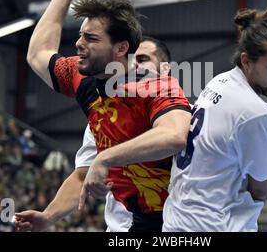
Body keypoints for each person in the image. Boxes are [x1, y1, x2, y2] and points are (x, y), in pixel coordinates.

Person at [18, 0, 191, 232]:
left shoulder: (156, 85)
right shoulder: (82, 76)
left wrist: (105, 159)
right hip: (140, 218)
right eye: (80, 35)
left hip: (181, 219)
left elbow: (175, 135)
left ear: (121, 49)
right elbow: (39, 54)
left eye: (91, 38)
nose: (78, 44)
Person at [162, 6, 267, 232]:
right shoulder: (256, 111)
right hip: (213, 224)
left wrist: (265, 155)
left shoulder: (219, 82)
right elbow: (260, 191)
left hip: (178, 219)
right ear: (247, 61)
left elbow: (214, 152)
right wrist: (263, 165)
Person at [15, 37, 173, 232]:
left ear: (165, 70)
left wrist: (105, 158)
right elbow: (82, 177)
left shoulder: (184, 119)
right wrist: (48, 216)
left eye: (142, 59)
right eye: (131, 60)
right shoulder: (102, 118)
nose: (135, 66)